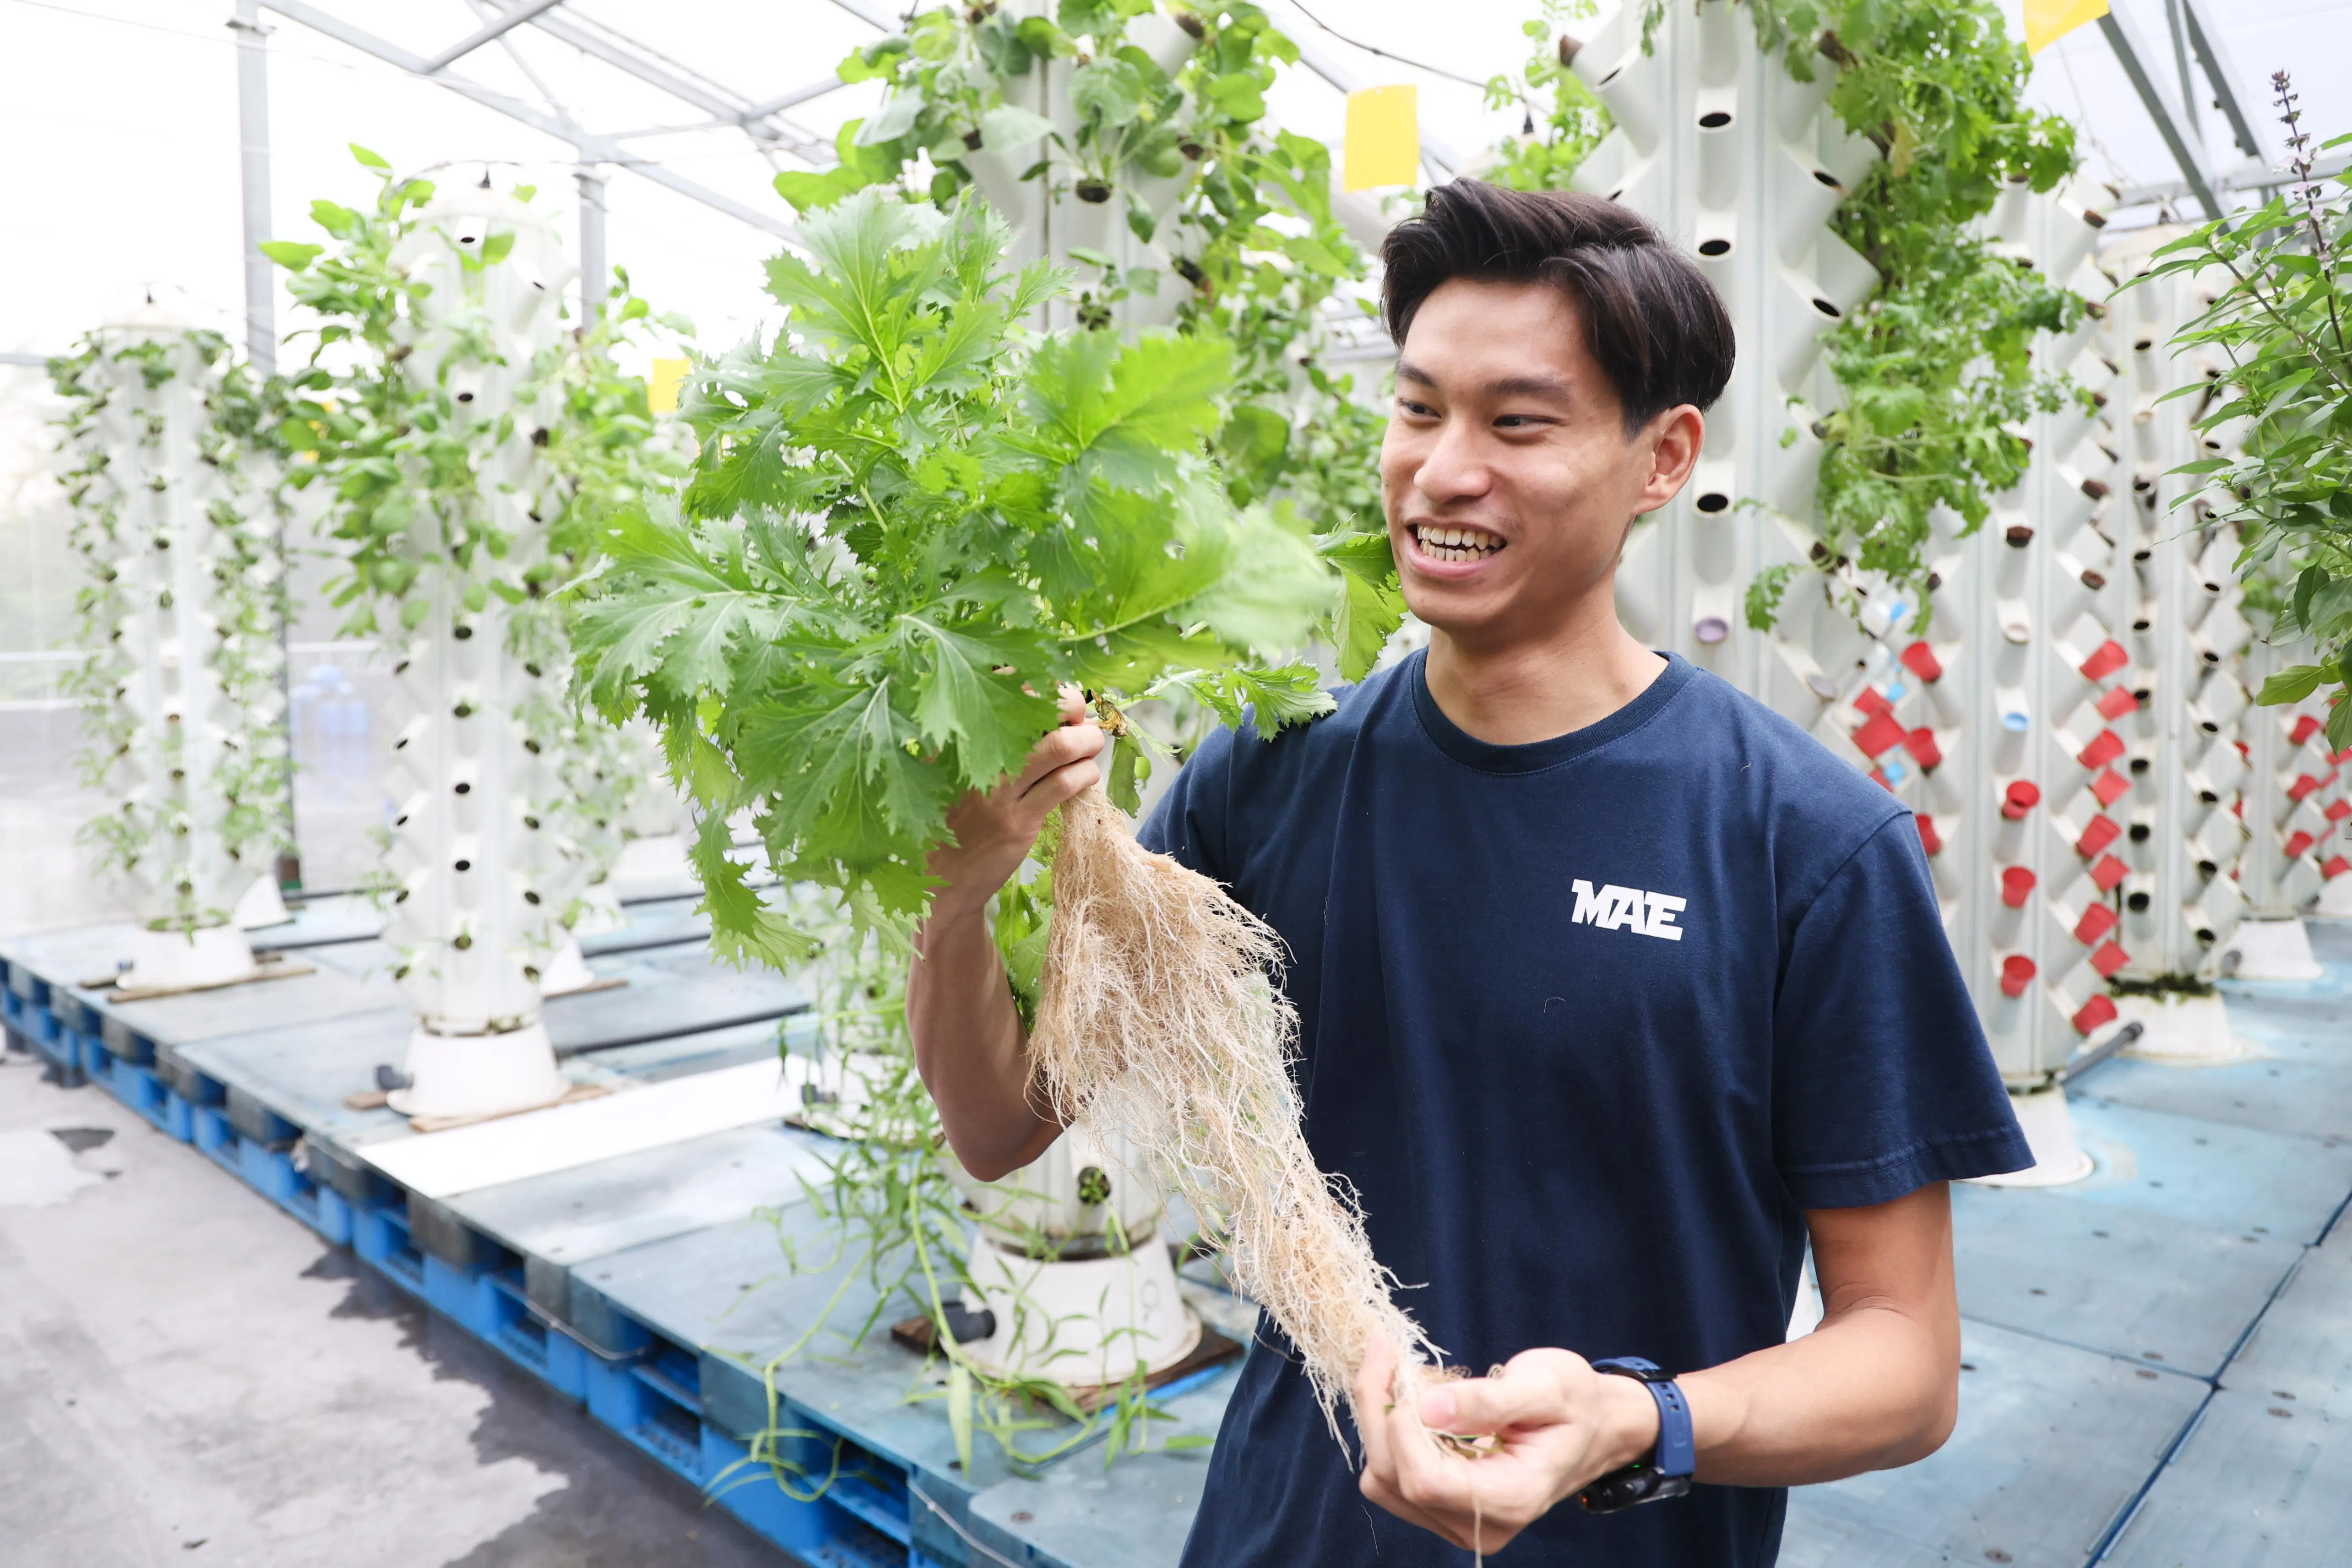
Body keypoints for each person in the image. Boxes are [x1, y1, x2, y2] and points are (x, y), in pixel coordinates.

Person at [907, 179, 2030, 1566]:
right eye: (1418, 407)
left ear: (1663, 456)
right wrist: (959, 897)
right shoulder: (1274, 770)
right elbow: (1004, 1124)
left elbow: (1904, 1361)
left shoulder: (1804, 843)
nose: (1442, 470)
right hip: (1282, 1533)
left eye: (1518, 422)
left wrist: (1637, 1422)